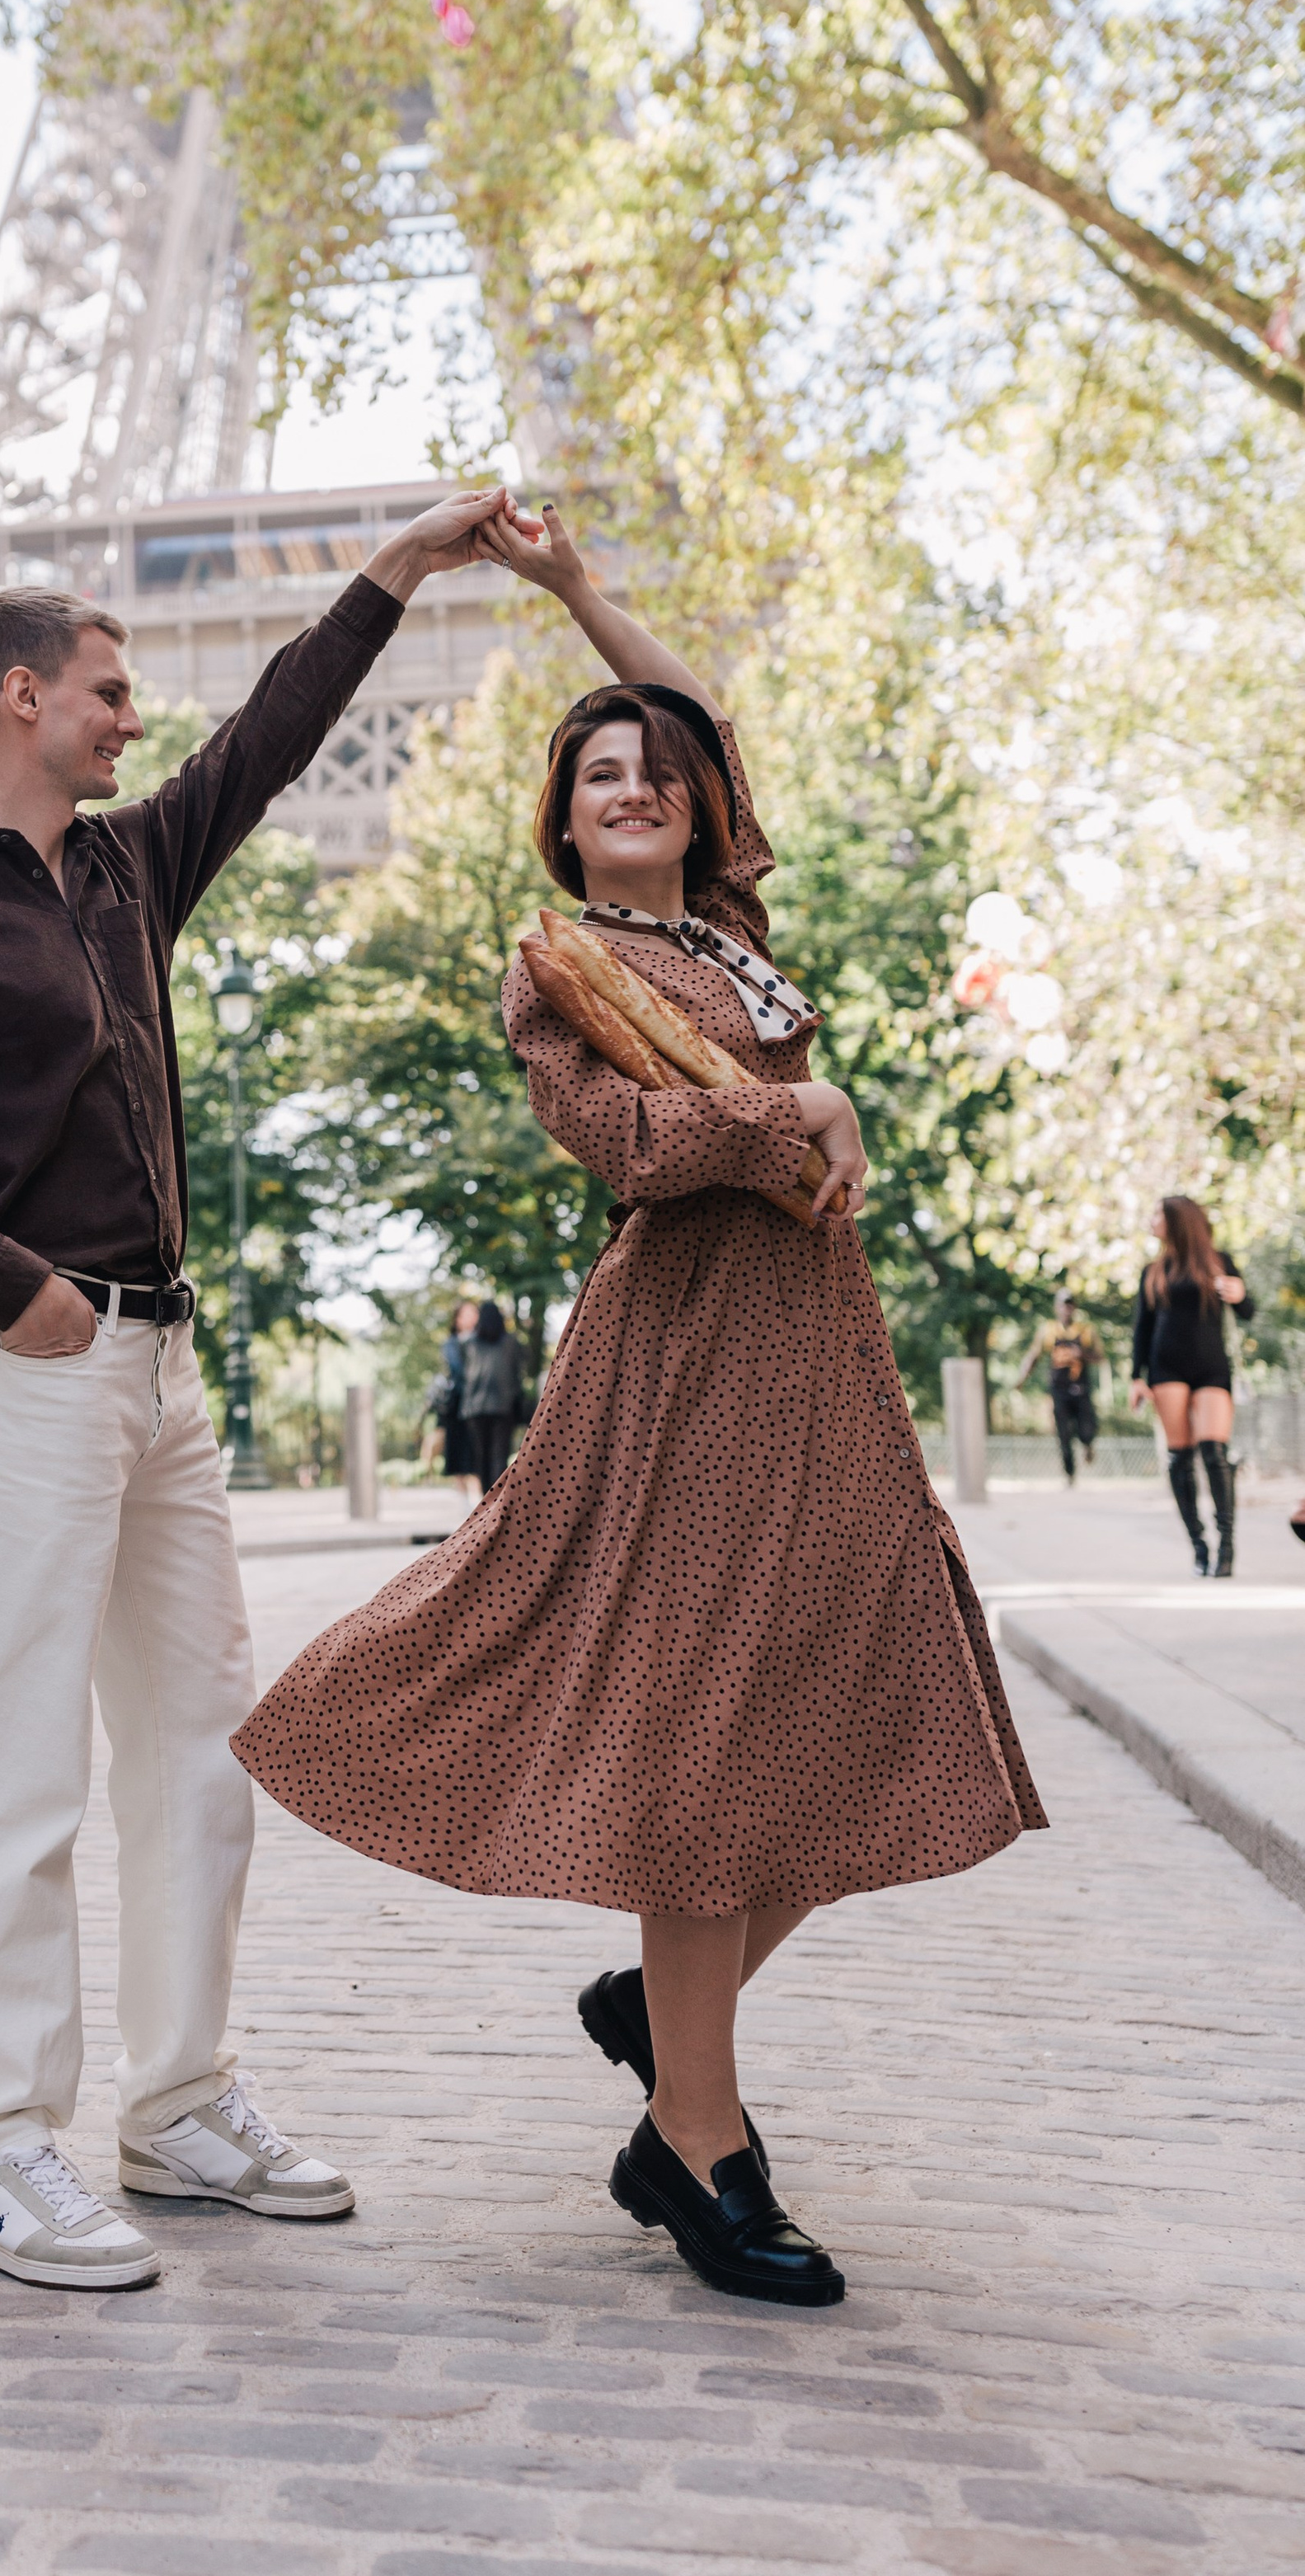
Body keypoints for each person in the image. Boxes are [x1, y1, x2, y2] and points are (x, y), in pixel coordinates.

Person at [232, 502, 1046, 2312]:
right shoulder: (561, 967)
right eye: (596, 774)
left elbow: (700, 719)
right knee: (708, 1743)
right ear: (563, 816)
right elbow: (625, 1142)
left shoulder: (736, 933)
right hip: (681, 1362)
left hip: (817, 1358)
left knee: (868, 1707)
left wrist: (569, 590)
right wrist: (800, 1118)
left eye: (649, 773)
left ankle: (658, 2033)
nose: (632, 787)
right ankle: (699, 2136)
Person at [0, 482, 513, 2292]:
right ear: (20, 698)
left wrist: (399, 564)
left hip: (160, 1361)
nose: (134, 717)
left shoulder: (122, 872)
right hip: (34, 1359)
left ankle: (175, 2101)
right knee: (11, 1763)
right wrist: (11, 1281)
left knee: (198, 1752)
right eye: (105, 690)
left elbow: (273, 737)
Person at [1129, 1197, 1251, 1578]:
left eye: (1156, 1215)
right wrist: (1137, 1376)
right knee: (1180, 1458)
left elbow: (1248, 1312)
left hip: (1212, 1368)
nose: (1151, 1221)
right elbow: (1142, 1328)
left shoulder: (1219, 1261)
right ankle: (1199, 1545)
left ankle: (1226, 1545)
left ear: (1177, 1222)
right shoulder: (1153, 1271)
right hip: (1167, 1369)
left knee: (1215, 1452)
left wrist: (1241, 1293)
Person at [1016, 1293, 1105, 1483]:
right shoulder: (1048, 1330)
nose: (1067, 1309)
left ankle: (1088, 1444)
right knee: (1063, 1433)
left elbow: (1100, 1357)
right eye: (1064, 1305)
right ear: (1057, 1307)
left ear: (1075, 1308)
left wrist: (1082, 1354)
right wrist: (1022, 1378)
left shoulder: (1086, 1330)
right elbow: (1034, 1356)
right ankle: (1070, 1474)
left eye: (1071, 1305)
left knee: (1087, 1428)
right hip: (1059, 1390)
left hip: (1082, 1387)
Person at [458, 1298, 524, 1493]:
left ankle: (485, 1500)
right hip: (503, 1406)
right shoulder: (512, 1342)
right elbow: (517, 1373)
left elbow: (463, 1374)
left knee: (481, 1456)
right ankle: (498, 1502)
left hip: (474, 1407)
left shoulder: (468, 1343)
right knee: (499, 1456)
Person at [430, 1298, 480, 1497]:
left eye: (474, 1313)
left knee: (475, 1450)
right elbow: (457, 1369)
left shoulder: (483, 1341)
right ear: (457, 1319)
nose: (472, 1317)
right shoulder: (451, 1343)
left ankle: (477, 1495)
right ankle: (461, 1494)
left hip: (477, 1402)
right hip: (457, 1403)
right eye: (467, 1313)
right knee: (457, 1449)